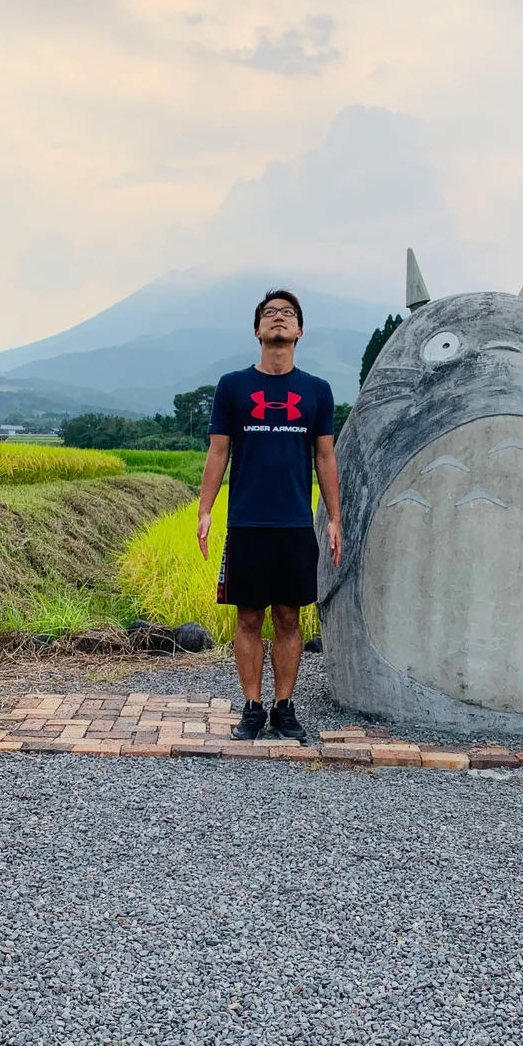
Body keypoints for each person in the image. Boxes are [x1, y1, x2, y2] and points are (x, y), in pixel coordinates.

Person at [197, 288, 341, 741]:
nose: (279, 318)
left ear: (299, 331)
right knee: (248, 617)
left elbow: (325, 458)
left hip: (295, 523)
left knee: (288, 618)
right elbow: (218, 452)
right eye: (270, 313)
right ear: (257, 330)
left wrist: (334, 518)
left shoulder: (316, 390)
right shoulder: (233, 387)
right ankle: (252, 706)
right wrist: (205, 510)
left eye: (288, 314)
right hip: (247, 523)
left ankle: (284, 706)